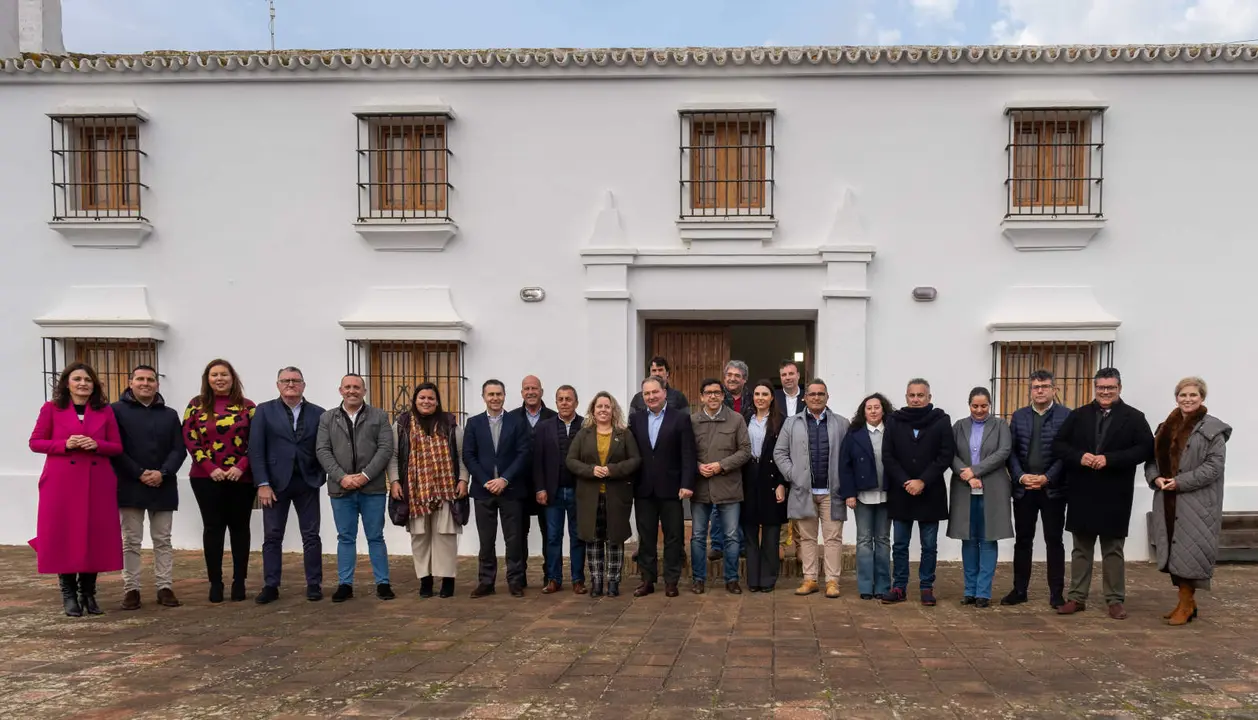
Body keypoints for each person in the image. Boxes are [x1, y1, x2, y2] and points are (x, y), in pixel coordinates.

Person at [1054, 367, 1154, 620]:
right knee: (1081, 549)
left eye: (1110, 387)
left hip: (1115, 493)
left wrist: (1110, 459)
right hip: (1082, 491)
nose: (1105, 392)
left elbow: (1145, 450)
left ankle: (1115, 600)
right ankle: (1076, 597)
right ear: (1095, 388)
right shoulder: (1079, 415)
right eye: (1101, 388)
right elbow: (1059, 445)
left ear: (1119, 388)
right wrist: (1080, 457)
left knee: (1113, 550)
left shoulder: (1134, 417)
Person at [29, 363, 124, 617]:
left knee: (93, 535)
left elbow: (116, 446)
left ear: (94, 385)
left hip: (97, 480)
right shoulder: (51, 409)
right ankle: (69, 594)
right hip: (62, 482)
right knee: (65, 533)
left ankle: (89, 593)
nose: (83, 383)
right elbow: (35, 442)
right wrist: (65, 443)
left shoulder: (104, 411)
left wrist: (97, 444)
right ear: (67, 383)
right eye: (77, 379)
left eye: (88, 380)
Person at [1146, 377, 1232, 626]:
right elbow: (1151, 461)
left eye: (1193, 395)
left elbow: (1214, 467)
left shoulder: (1213, 429)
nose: (1188, 399)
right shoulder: (1165, 427)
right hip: (1167, 501)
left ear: (1202, 397)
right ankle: (1187, 603)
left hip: (1196, 502)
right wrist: (1156, 479)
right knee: (1175, 554)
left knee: (1189, 554)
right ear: (1176, 397)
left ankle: (1186, 604)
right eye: (1183, 395)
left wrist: (1180, 482)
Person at [111, 365, 187, 610]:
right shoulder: (116, 411)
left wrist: (162, 473)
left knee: (163, 540)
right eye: (140, 379)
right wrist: (139, 473)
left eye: (150, 379)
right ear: (130, 382)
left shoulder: (169, 414)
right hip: (130, 483)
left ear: (157, 384)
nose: (146, 383)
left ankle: (164, 586)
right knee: (130, 541)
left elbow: (179, 449)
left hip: (163, 484)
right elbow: (116, 449)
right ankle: (131, 589)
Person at [250, 366, 327, 604]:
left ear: (304, 385)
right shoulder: (264, 411)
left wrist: (321, 474)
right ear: (277, 385)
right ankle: (271, 584)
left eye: (296, 380)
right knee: (272, 536)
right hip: (274, 483)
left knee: (311, 535)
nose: (290, 384)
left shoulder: (319, 413)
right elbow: (256, 449)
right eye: (286, 380)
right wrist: (262, 483)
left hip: (307, 481)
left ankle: (314, 583)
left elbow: (324, 448)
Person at [183, 359, 257, 604]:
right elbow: (190, 439)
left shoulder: (248, 407)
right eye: (214, 375)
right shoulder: (196, 406)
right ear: (207, 379)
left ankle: (239, 582)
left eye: (224, 374)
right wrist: (210, 467)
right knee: (213, 529)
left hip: (241, 478)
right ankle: (215, 583)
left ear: (233, 378)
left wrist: (241, 467)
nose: (219, 379)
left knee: (240, 529)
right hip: (206, 478)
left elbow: (256, 441)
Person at [316, 373, 395, 602]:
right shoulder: (327, 418)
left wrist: (365, 475)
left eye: (357, 387)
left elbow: (385, 448)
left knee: (376, 537)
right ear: (340, 390)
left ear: (364, 391)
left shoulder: (379, 416)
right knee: (346, 537)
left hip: (373, 489)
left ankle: (383, 583)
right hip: (341, 489)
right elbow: (322, 450)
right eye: (348, 387)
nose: (352, 391)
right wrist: (342, 477)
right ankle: (345, 584)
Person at [389, 383, 469, 599]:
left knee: (446, 536)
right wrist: (395, 481)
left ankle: (447, 581)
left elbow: (462, 455)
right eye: (422, 397)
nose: (426, 401)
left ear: (437, 401)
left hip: (446, 489)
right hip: (414, 491)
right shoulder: (402, 424)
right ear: (415, 400)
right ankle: (425, 580)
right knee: (420, 536)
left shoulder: (450, 424)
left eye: (431, 398)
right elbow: (394, 455)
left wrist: (463, 479)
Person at [1001, 370, 1072, 608]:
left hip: (1053, 490)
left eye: (1044, 386)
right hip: (1024, 490)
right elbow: (1010, 451)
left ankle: (1056, 593)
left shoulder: (1066, 416)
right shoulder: (1019, 416)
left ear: (1054, 389)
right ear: (1030, 390)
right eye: (1035, 387)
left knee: (1054, 540)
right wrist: (1020, 477)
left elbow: (1066, 453)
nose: (1039, 390)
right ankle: (1019, 590)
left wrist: (1047, 477)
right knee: (1023, 540)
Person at [773, 378, 850, 599]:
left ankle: (832, 582)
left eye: (820, 394)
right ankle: (810, 579)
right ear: (805, 398)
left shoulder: (841, 423)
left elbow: (848, 456)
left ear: (827, 397)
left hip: (831, 492)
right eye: (812, 394)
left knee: (832, 538)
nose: (816, 397)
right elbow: (780, 452)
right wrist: (793, 475)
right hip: (803, 491)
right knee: (807, 538)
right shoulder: (792, 423)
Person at [882, 378, 953, 606]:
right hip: (901, 493)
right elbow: (888, 456)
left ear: (929, 398)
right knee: (900, 544)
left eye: (920, 395)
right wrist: (906, 481)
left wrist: (922, 481)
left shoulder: (941, 421)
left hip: (930, 493)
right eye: (911, 395)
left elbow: (945, 455)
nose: (915, 399)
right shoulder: (894, 420)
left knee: (929, 545)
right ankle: (899, 586)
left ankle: (926, 587)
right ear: (906, 397)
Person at [566, 391, 641, 597]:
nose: (603, 410)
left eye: (607, 406)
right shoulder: (584, 434)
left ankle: (614, 582)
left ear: (613, 409)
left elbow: (635, 460)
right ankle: (597, 581)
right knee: (593, 540)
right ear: (593, 410)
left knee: (614, 539)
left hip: (616, 495)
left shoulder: (623, 434)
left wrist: (612, 469)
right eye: (599, 406)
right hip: (589, 496)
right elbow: (571, 461)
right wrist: (591, 470)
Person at [628, 375, 696, 598]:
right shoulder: (635, 420)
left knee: (673, 537)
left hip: (672, 488)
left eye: (654, 392)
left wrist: (687, 483)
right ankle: (647, 580)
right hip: (644, 488)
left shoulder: (680, 419)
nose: (651, 397)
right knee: (646, 537)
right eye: (646, 393)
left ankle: (671, 581)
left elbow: (688, 453)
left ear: (664, 392)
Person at [464, 379, 532, 598]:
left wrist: (504, 479)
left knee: (514, 539)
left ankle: (515, 581)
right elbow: (469, 456)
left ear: (505, 395)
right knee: (486, 539)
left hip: (511, 490)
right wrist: (486, 480)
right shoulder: (473, 424)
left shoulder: (517, 422)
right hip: (483, 491)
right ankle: (486, 582)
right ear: (484, 397)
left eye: (499, 394)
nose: (495, 398)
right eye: (490, 394)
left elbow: (524, 454)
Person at [947, 387, 1012, 608]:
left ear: (990, 405)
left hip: (992, 488)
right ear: (969, 405)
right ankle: (969, 590)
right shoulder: (959, 426)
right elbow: (950, 453)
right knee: (969, 539)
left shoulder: (1001, 425)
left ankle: (983, 592)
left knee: (988, 539)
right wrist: (966, 474)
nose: (979, 410)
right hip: (965, 489)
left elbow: (1003, 452)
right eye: (975, 406)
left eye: (984, 405)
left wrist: (975, 471)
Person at [690, 377, 752, 594]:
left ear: (723, 395)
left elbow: (745, 451)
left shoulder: (736, 420)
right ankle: (698, 579)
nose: (713, 396)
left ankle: (732, 579)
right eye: (708, 393)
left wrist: (720, 465)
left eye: (717, 392)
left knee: (732, 536)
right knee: (698, 536)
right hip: (700, 488)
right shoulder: (693, 421)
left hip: (729, 488)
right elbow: (685, 452)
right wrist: (698, 466)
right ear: (701, 397)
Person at [838, 393, 894, 600]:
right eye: (868, 408)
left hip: (887, 494)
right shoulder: (854, 435)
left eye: (876, 407)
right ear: (863, 412)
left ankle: (882, 585)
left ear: (883, 410)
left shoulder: (892, 433)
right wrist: (849, 493)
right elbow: (845, 467)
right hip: (862, 495)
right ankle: (865, 587)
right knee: (863, 541)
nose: (872, 411)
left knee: (882, 540)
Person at [532, 385, 586, 594]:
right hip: (552, 492)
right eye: (560, 399)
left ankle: (578, 579)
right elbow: (537, 461)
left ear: (576, 402)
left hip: (578, 491)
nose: (564, 403)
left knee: (577, 536)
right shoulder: (544, 427)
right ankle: (554, 578)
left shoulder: (585, 426)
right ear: (555, 403)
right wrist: (540, 488)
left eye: (568, 399)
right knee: (553, 536)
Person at [509, 375, 556, 589]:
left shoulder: (553, 417)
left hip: (546, 485)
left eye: (534, 388)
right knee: (518, 535)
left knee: (550, 533)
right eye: (526, 388)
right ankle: (519, 578)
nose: (530, 392)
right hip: (518, 487)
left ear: (541, 391)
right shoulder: (511, 419)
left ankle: (551, 576)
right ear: (521, 393)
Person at [741, 380, 788, 592]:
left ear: (771, 398)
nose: (760, 397)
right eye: (757, 394)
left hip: (771, 479)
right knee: (750, 532)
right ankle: (753, 579)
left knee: (770, 533)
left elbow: (786, 454)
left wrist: (781, 483)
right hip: (748, 479)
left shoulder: (782, 421)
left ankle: (768, 579)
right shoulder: (744, 420)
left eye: (765, 394)